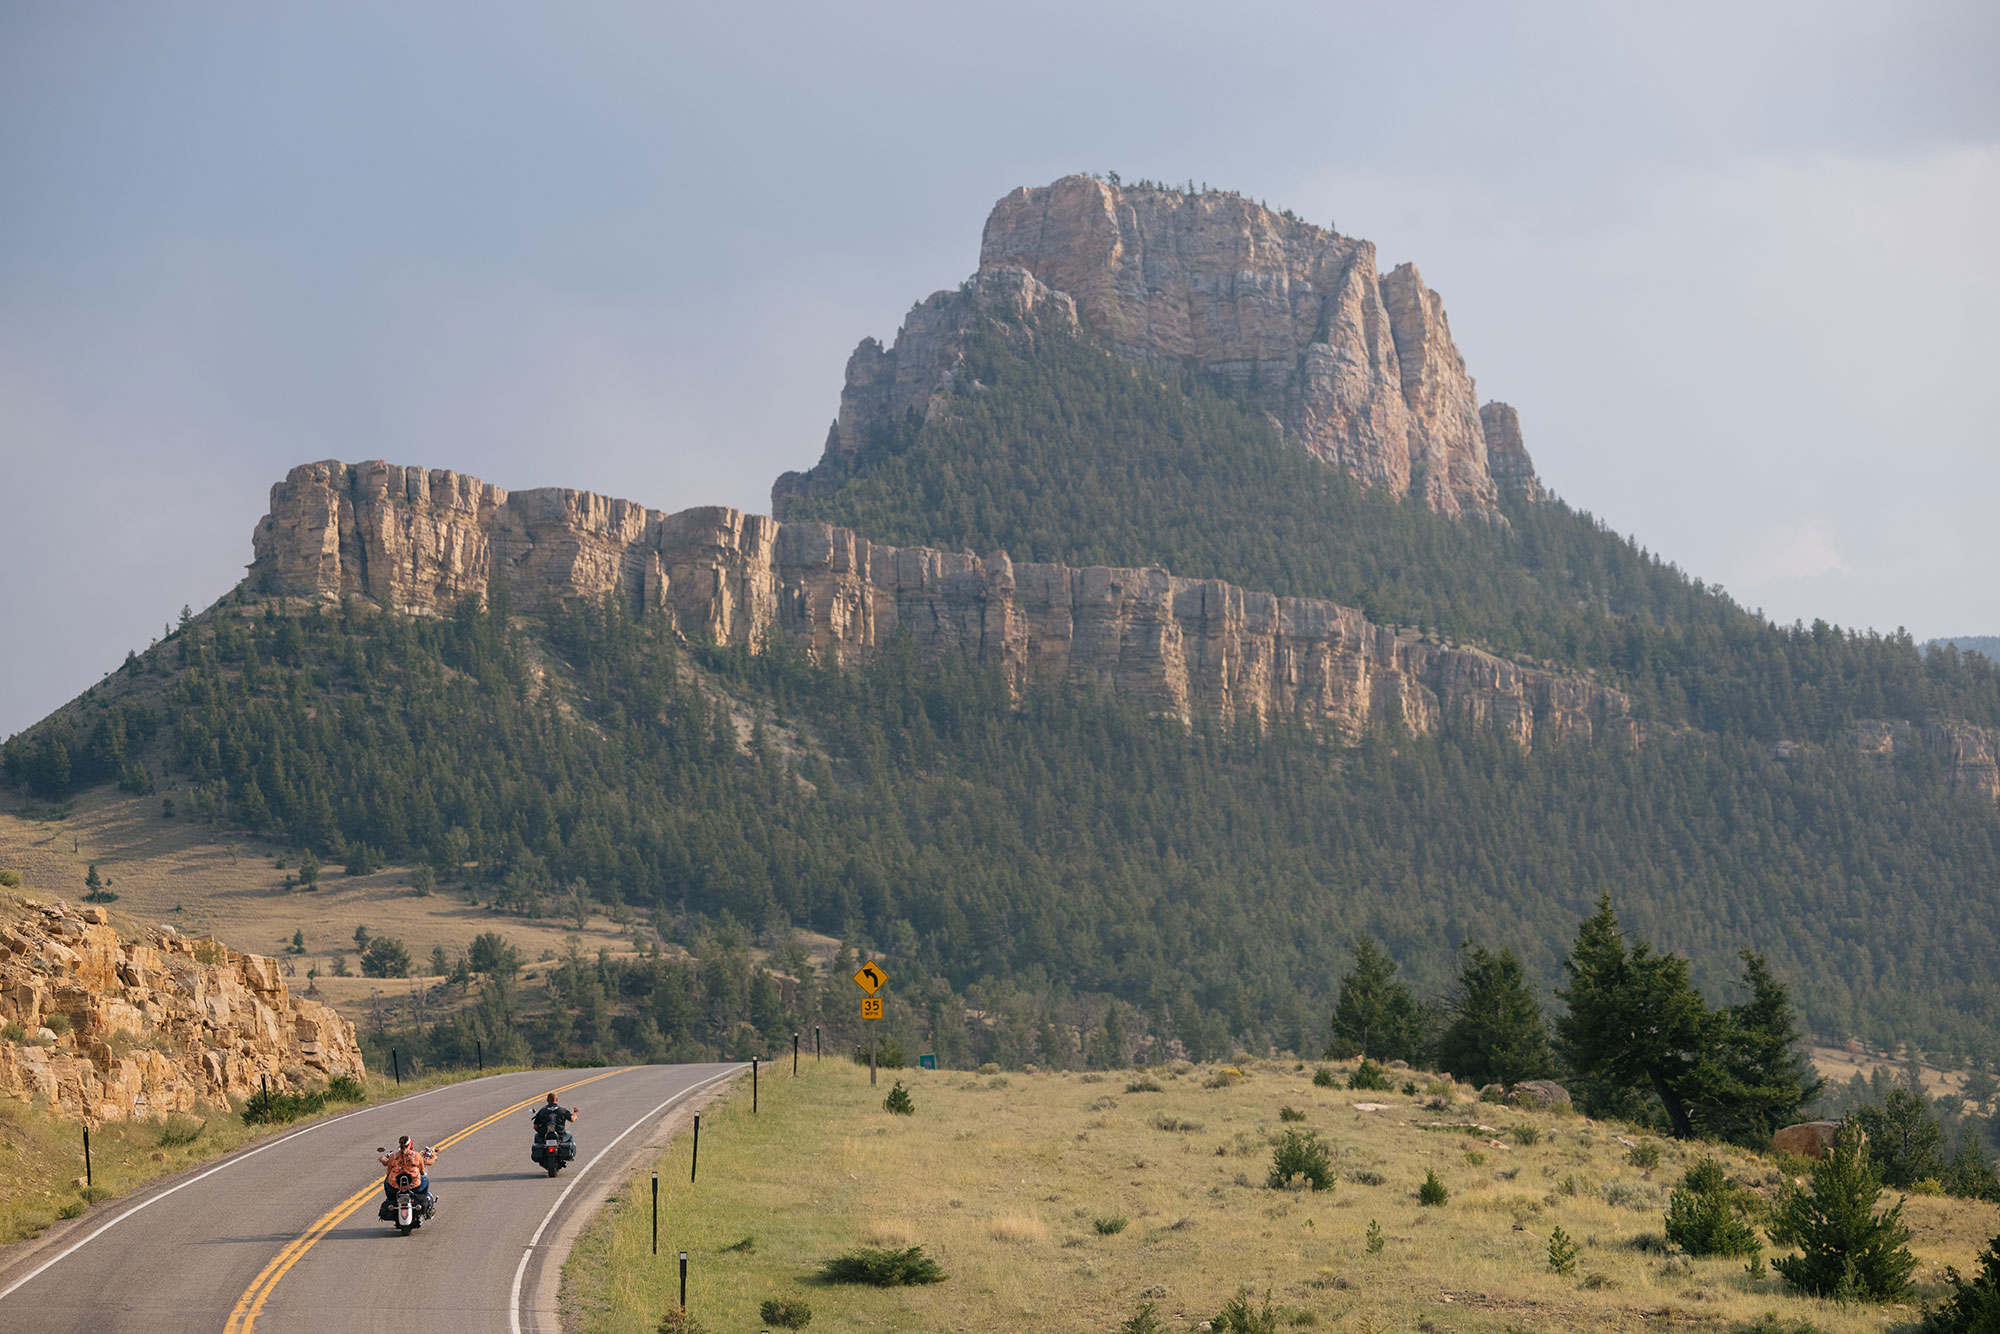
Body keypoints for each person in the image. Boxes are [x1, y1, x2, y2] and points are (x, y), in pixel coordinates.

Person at [379, 1134, 439, 1214]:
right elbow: (422, 1169)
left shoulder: (393, 1156)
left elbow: (388, 1170)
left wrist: (382, 1157)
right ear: (410, 1144)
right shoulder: (416, 1156)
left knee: (387, 1181)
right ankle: (423, 1200)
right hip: (414, 1186)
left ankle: (391, 1200)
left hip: (395, 1187)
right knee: (426, 1181)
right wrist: (434, 1157)